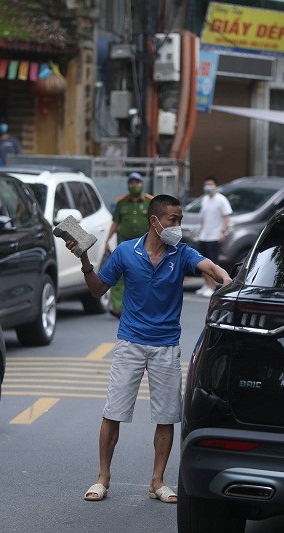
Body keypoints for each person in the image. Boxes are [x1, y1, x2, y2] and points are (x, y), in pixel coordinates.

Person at [66, 194, 231, 504]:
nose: (178, 225)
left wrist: (228, 281)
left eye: (180, 219)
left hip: (167, 345)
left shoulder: (181, 253)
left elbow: (211, 268)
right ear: (155, 221)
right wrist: (85, 260)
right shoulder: (127, 252)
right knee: (113, 413)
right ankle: (103, 477)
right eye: (174, 219)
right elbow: (98, 288)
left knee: (166, 416)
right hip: (130, 342)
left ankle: (157, 481)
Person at [104, 172, 152, 317]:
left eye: (137, 182)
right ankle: (118, 307)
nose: (134, 185)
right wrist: (107, 240)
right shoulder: (121, 203)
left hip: (145, 246)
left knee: (144, 275)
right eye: (131, 183)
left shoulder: (150, 202)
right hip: (125, 246)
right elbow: (115, 222)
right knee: (120, 274)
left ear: (142, 184)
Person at [195, 176, 232, 298]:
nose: (208, 187)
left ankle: (212, 287)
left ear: (216, 186)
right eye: (206, 184)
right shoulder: (205, 200)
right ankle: (206, 284)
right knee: (201, 262)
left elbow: (226, 217)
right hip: (204, 236)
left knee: (212, 262)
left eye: (210, 184)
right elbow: (203, 218)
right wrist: (200, 231)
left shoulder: (221, 200)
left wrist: (222, 232)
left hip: (214, 236)